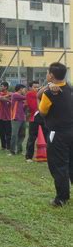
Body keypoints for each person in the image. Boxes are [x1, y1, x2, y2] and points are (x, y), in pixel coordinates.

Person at [38, 62, 73, 207]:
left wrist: (48, 88)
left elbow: (42, 111)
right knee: (71, 162)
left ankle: (61, 198)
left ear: (51, 75)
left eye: (47, 73)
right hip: (71, 131)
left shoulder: (49, 93)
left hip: (57, 133)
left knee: (59, 165)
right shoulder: (70, 88)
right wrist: (48, 85)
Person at [25, 81, 48, 162]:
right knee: (32, 137)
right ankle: (28, 157)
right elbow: (33, 106)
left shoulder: (42, 94)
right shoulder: (29, 94)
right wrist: (43, 90)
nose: (37, 88)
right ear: (30, 88)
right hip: (34, 117)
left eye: (38, 87)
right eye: (35, 87)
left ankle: (48, 155)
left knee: (47, 137)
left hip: (43, 117)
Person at [9, 84, 27, 156]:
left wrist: (25, 105)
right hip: (15, 118)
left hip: (22, 118)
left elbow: (23, 108)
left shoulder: (20, 98)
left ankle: (19, 150)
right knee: (14, 135)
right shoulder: (15, 95)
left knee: (22, 134)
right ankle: (12, 151)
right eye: (24, 89)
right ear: (20, 89)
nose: (24, 90)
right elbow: (26, 97)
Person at [0, 82, 11, 151]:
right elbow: (0, 98)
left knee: (8, 132)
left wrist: (6, 98)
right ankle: (3, 146)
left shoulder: (11, 94)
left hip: (8, 116)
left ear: (6, 87)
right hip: (0, 116)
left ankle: (8, 146)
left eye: (2, 86)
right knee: (1, 132)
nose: (0, 87)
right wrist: (8, 98)